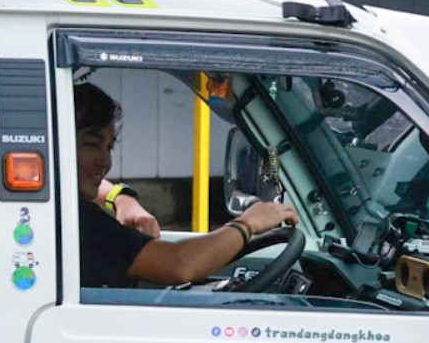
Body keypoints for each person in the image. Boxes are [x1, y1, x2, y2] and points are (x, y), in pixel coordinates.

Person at [75, 82, 298, 289]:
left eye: (109, 147)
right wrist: (248, 223)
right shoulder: (79, 221)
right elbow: (178, 265)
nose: (105, 162)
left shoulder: (69, 207)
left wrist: (120, 197)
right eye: (92, 144)